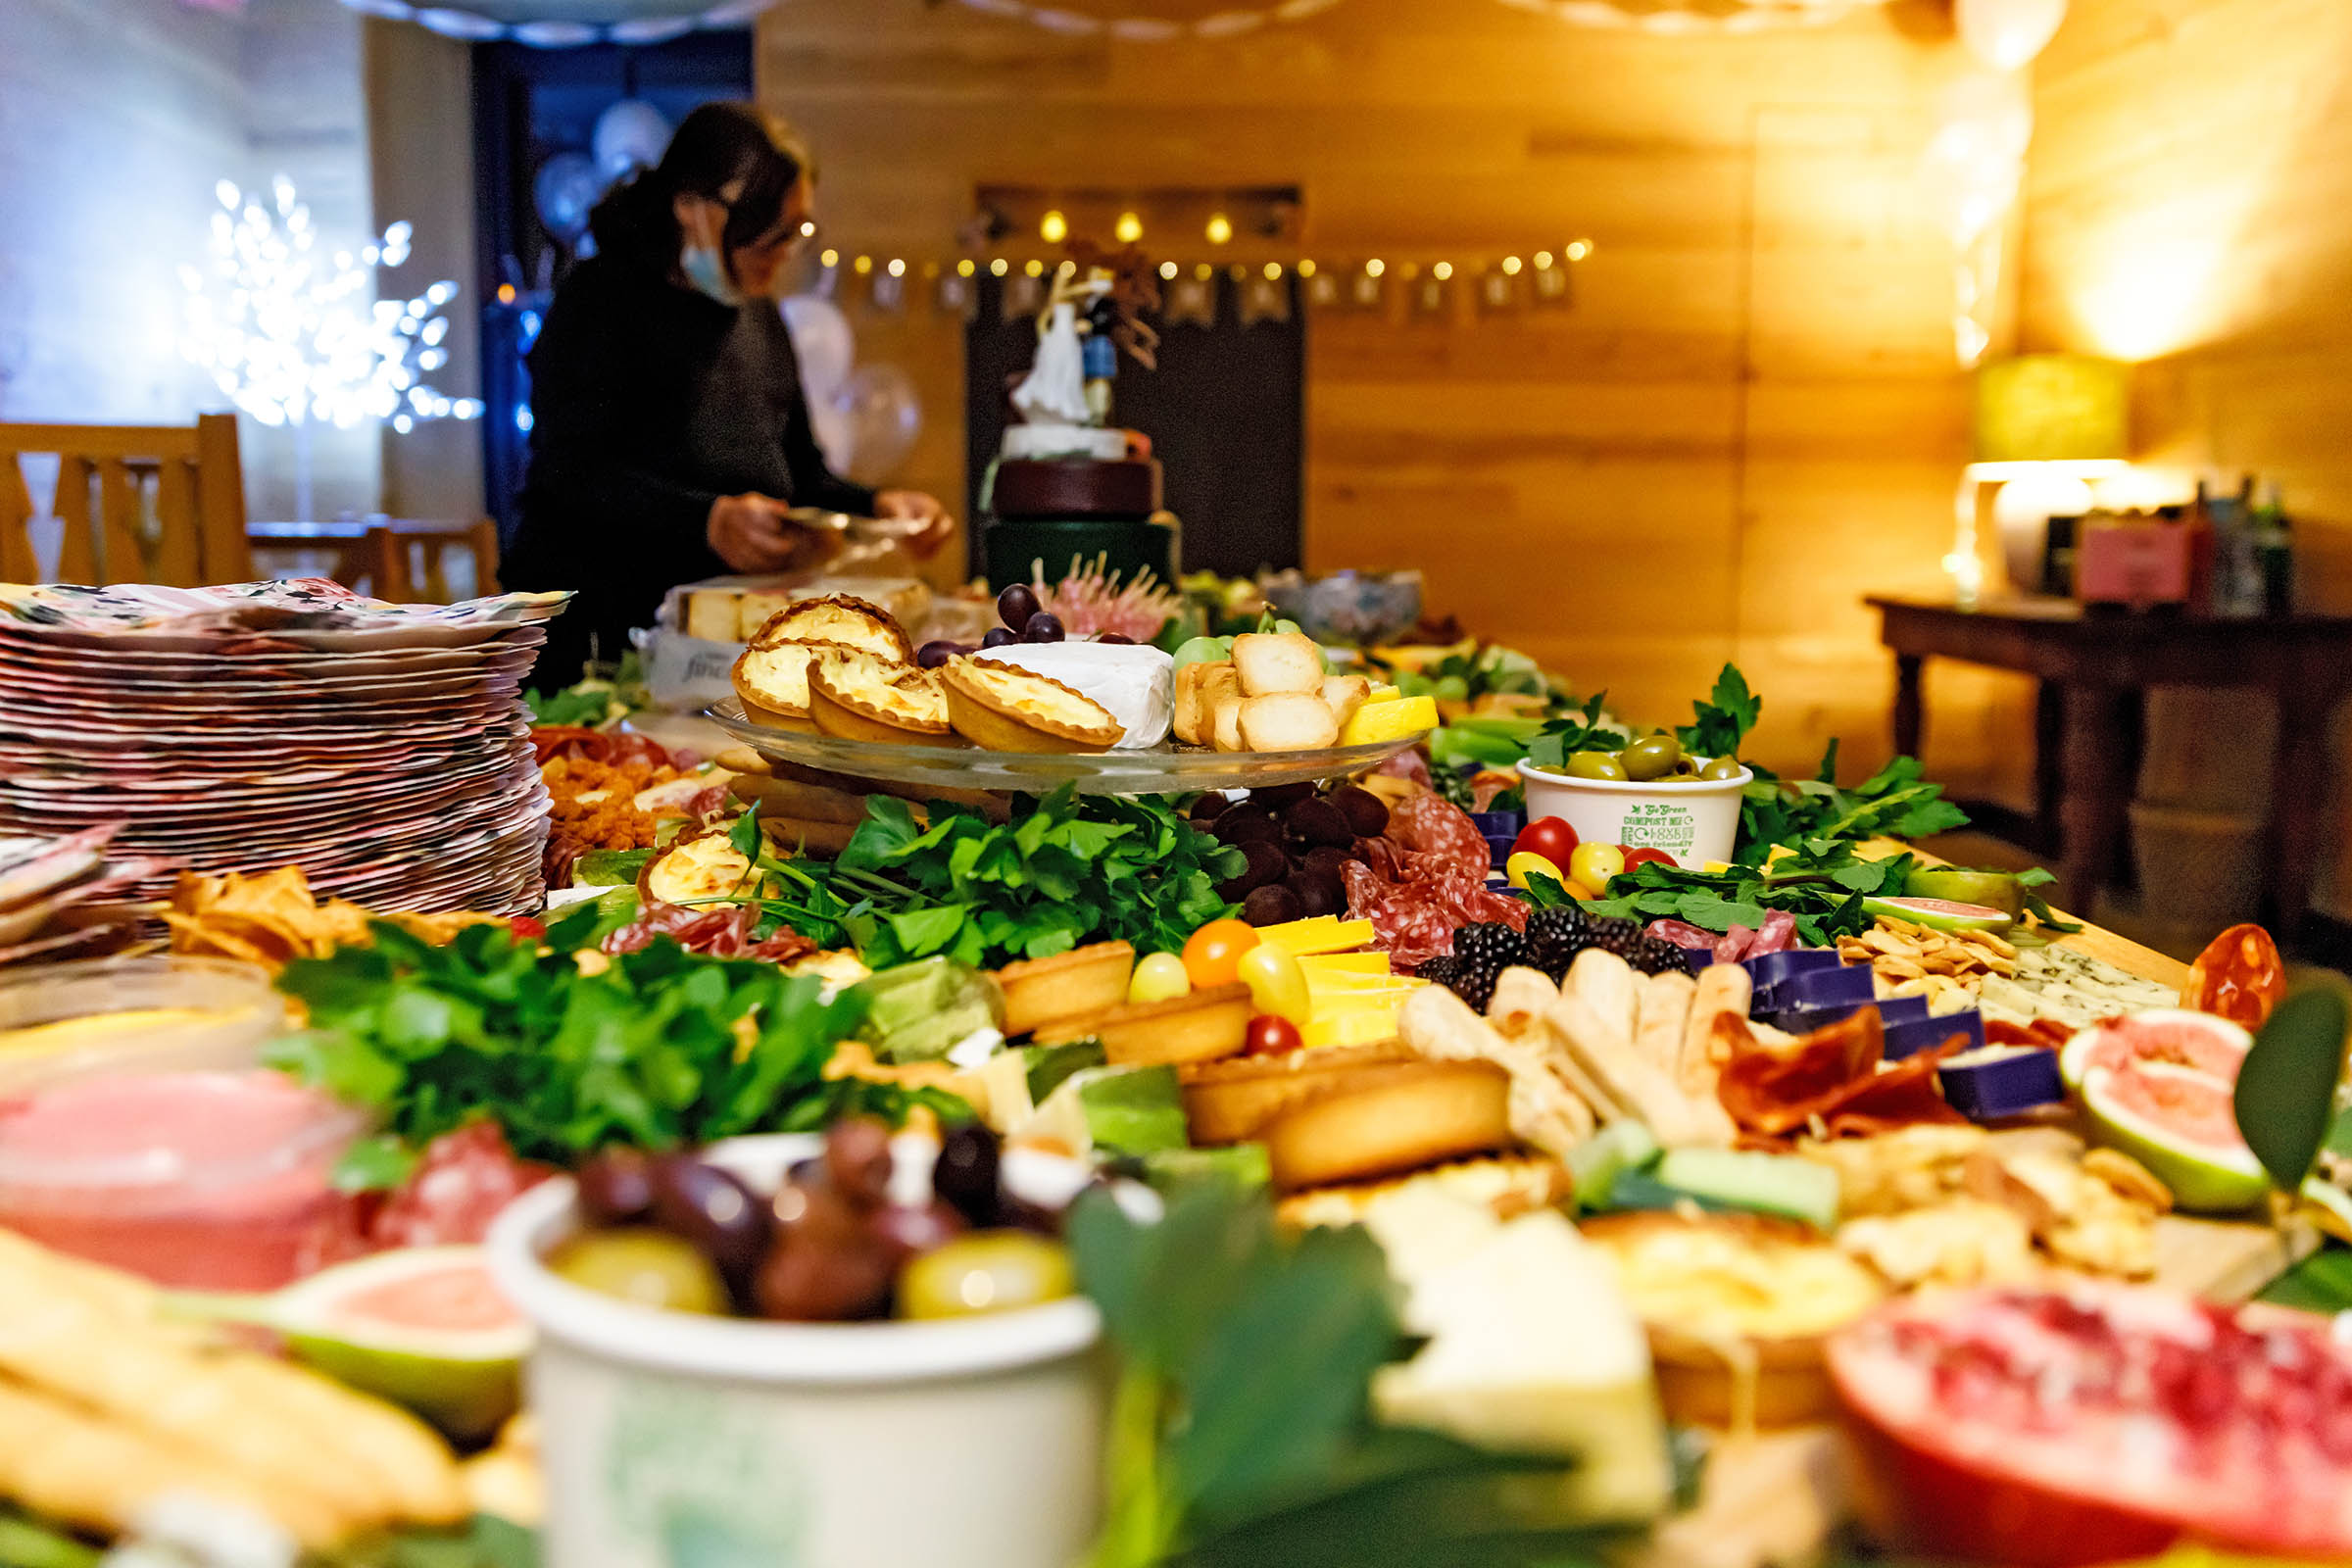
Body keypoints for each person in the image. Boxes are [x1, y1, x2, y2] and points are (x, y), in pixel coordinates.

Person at [503, 102, 952, 689]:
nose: (785, 252)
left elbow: (800, 473)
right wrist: (706, 522)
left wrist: (878, 507)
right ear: (694, 208)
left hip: (715, 652)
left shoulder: (757, 312)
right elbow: (570, 472)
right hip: (597, 645)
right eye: (770, 236)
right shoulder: (600, 299)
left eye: (796, 233)